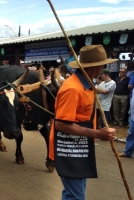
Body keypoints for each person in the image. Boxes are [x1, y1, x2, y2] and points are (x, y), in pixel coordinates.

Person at [49, 45, 116, 200]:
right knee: (76, 197)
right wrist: (97, 133)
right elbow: (61, 124)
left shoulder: (88, 84)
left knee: (72, 194)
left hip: (80, 145)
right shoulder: (73, 89)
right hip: (68, 147)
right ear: (99, 67)